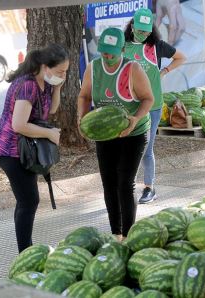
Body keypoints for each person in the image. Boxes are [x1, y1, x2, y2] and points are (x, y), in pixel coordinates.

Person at [77, 27, 154, 241]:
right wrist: (81, 119)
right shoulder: (93, 68)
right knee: (108, 183)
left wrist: (135, 119)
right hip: (106, 134)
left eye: (112, 52)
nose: (108, 56)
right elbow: (84, 96)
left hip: (134, 132)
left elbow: (148, 99)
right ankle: (116, 234)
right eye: (104, 52)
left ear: (122, 48)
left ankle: (129, 236)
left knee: (124, 183)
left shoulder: (133, 69)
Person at [0, 43, 69, 253]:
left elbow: (52, 109)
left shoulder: (45, 83)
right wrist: (50, 134)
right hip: (11, 151)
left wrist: (58, 87)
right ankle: (25, 253)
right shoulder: (27, 85)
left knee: (25, 201)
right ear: (46, 66)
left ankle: (25, 250)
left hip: (23, 150)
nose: (63, 74)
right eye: (61, 71)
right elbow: (19, 125)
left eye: (65, 71)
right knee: (29, 200)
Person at [124, 8, 186, 204]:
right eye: (140, 30)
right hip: (129, 106)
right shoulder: (123, 46)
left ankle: (149, 188)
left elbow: (181, 57)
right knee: (128, 148)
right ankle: (127, 187)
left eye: (147, 31)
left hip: (153, 106)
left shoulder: (157, 46)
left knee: (146, 148)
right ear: (132, 27)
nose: (143, 34)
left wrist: (165, 70)